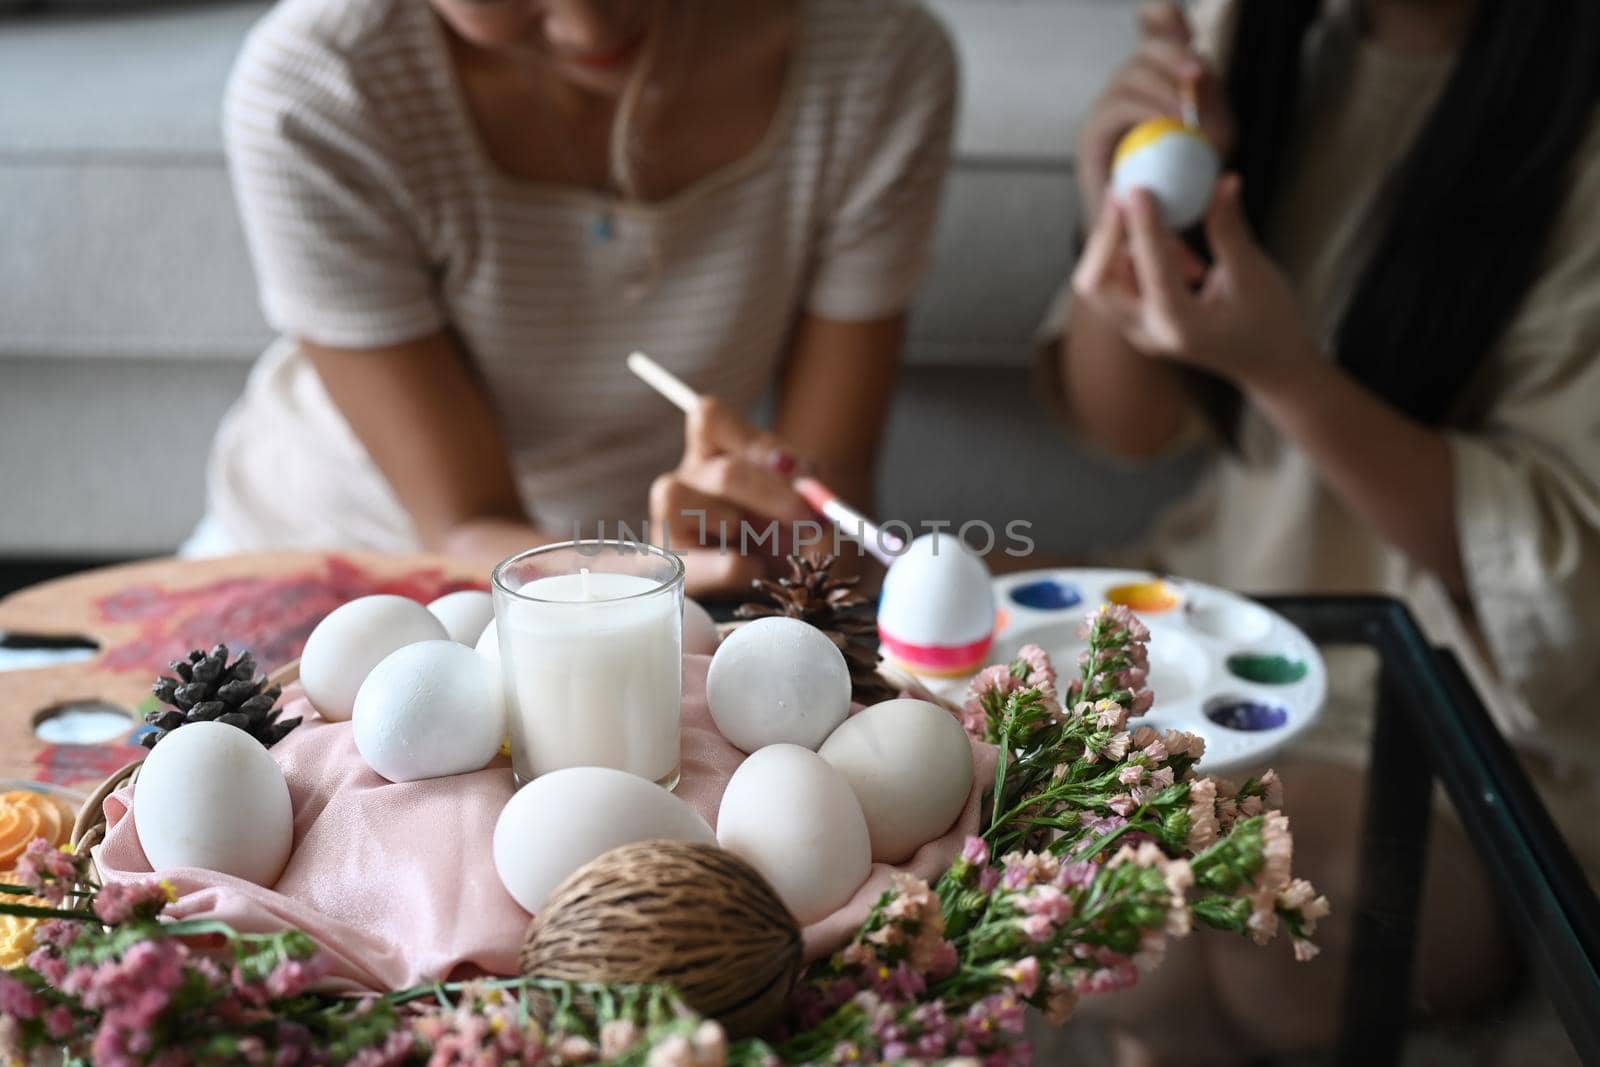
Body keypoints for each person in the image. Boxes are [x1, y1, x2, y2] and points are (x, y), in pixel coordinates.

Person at [1043, 0, 1600, 1059]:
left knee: (1235, 904)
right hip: (1227, 626)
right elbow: (1128, 420)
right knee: (1114, 889)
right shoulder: (1253, 35)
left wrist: (1287, 372)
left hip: (1488, 713)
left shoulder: (1570, 121)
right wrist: (1118, 200)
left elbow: (1559, 585)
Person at [191, 0, 955, 595]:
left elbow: (834, 489)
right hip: (350, 556)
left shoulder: (877, 59)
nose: (590, 24)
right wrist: (654, 581)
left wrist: (779, 533)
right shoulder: (319, 89)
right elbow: (462, 526)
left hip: (656, 575)